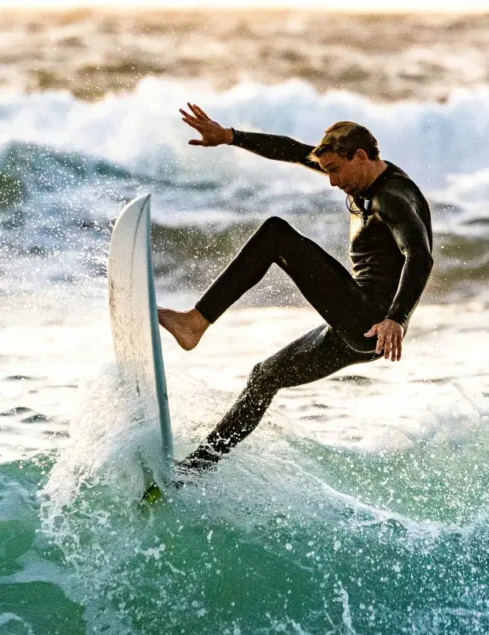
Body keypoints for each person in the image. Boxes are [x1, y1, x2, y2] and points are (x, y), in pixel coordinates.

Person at [160, 103, 434, 475]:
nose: (333, 182)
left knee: (276, 235)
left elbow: (420, 255)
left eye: (336, 171)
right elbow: (289, 149)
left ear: (361, 156)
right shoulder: (360, 177)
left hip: (372, 320)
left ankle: (196, 322)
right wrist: (229, 137)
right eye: (326, 172)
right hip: (356, 327)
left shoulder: (392, 198)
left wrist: (395, 319)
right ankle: (192, 471)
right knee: (264, 376)